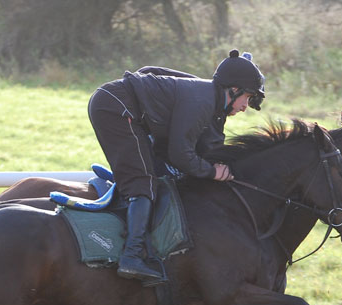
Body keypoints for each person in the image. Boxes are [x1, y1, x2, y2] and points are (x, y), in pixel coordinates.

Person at [88, 49, 266, 284]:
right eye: (248, 97)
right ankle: (131, 257)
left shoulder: (209, 99)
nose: (246, 106)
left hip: (123, 106)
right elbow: (181, 153)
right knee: (143, 182)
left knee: (161, 174)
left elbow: (204, 149)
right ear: (233, 90)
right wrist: (212, 172)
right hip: (116, 108)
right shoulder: (202, 101)